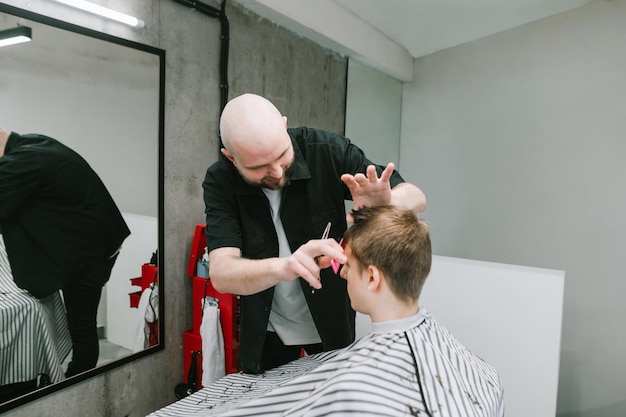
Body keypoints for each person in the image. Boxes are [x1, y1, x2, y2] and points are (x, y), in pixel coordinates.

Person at [149, 206, 504, 417]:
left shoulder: (356, 394)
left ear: (372, 277)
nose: (342, 273)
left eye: (347, 265)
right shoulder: (478, 368)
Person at [202, 93, 427, 374]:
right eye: (258, 167)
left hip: (331, 323)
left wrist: (387, 204)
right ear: (231, 158)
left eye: (282, 155)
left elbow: (416, 196)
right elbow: (222, 273)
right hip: (267, 330)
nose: (276, 171)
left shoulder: (326, 150)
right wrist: (284, 266)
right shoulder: (220, 180)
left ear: (284, 126)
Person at [0, 127, 131, 378]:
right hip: (97, 242)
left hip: (92, 255)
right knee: (79, 323)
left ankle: (77, 382)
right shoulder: (34, 143)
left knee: (81, 327)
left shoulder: (22, 161)